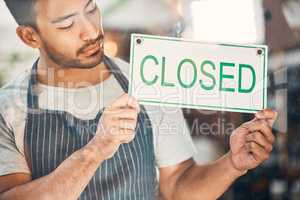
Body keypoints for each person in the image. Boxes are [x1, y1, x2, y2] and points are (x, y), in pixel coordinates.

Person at [0, 0, 277, 199]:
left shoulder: (148, 81)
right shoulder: (8, 107)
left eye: (91, 9)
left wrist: (232, 164)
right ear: (29, 36)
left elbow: (177, 189)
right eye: (68, 24)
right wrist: (96, 150)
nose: (91, 31)